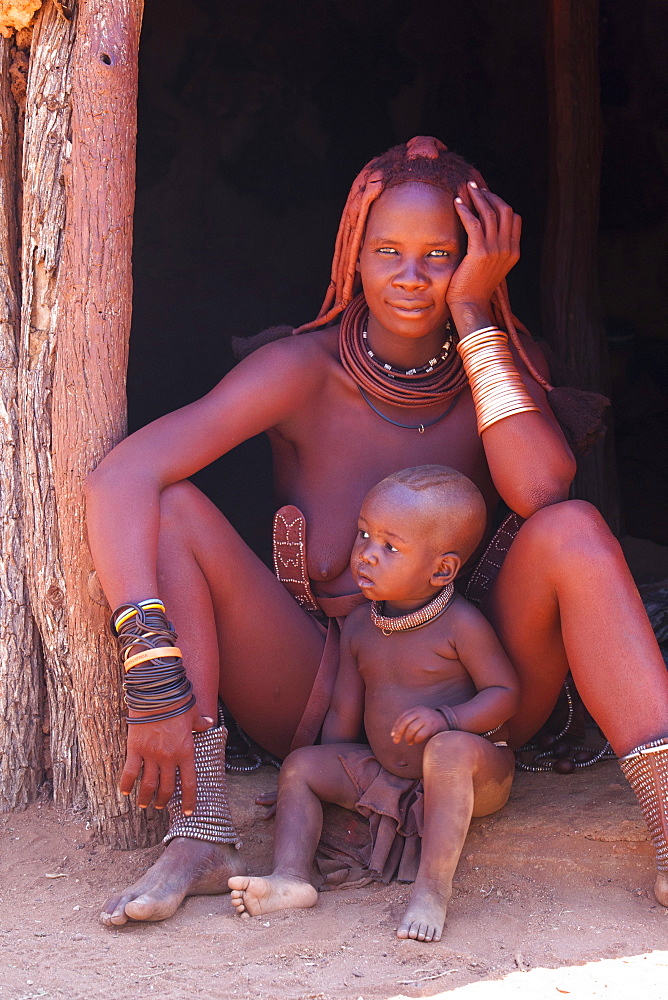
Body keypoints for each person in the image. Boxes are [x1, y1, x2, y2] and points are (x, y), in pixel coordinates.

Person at [86, 136, 668, 928]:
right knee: (177, 507)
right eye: (387, 249)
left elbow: (540, 488)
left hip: (472, 694)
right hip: (322, 690)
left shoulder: (495, 360)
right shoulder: (300, 371)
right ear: (352, 254)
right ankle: (203, 826)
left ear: (477, 261)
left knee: (573, 529)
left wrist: (473, 312)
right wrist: (151, 670)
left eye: (441, 255)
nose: (412, 275)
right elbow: (120, 475)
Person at [229, 466, 519, 942]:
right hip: (390, 774)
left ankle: (431, 892)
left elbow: (505, 695)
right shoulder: (361, 625)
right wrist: (325, 780)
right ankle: (291, 878)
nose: (365, 555)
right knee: (301, 766)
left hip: (470, 773)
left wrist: (448, 719)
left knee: (445, 751)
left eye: (390, 546)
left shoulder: (460, 625)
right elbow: (344, 713)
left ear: (442, 569)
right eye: (363, 534)